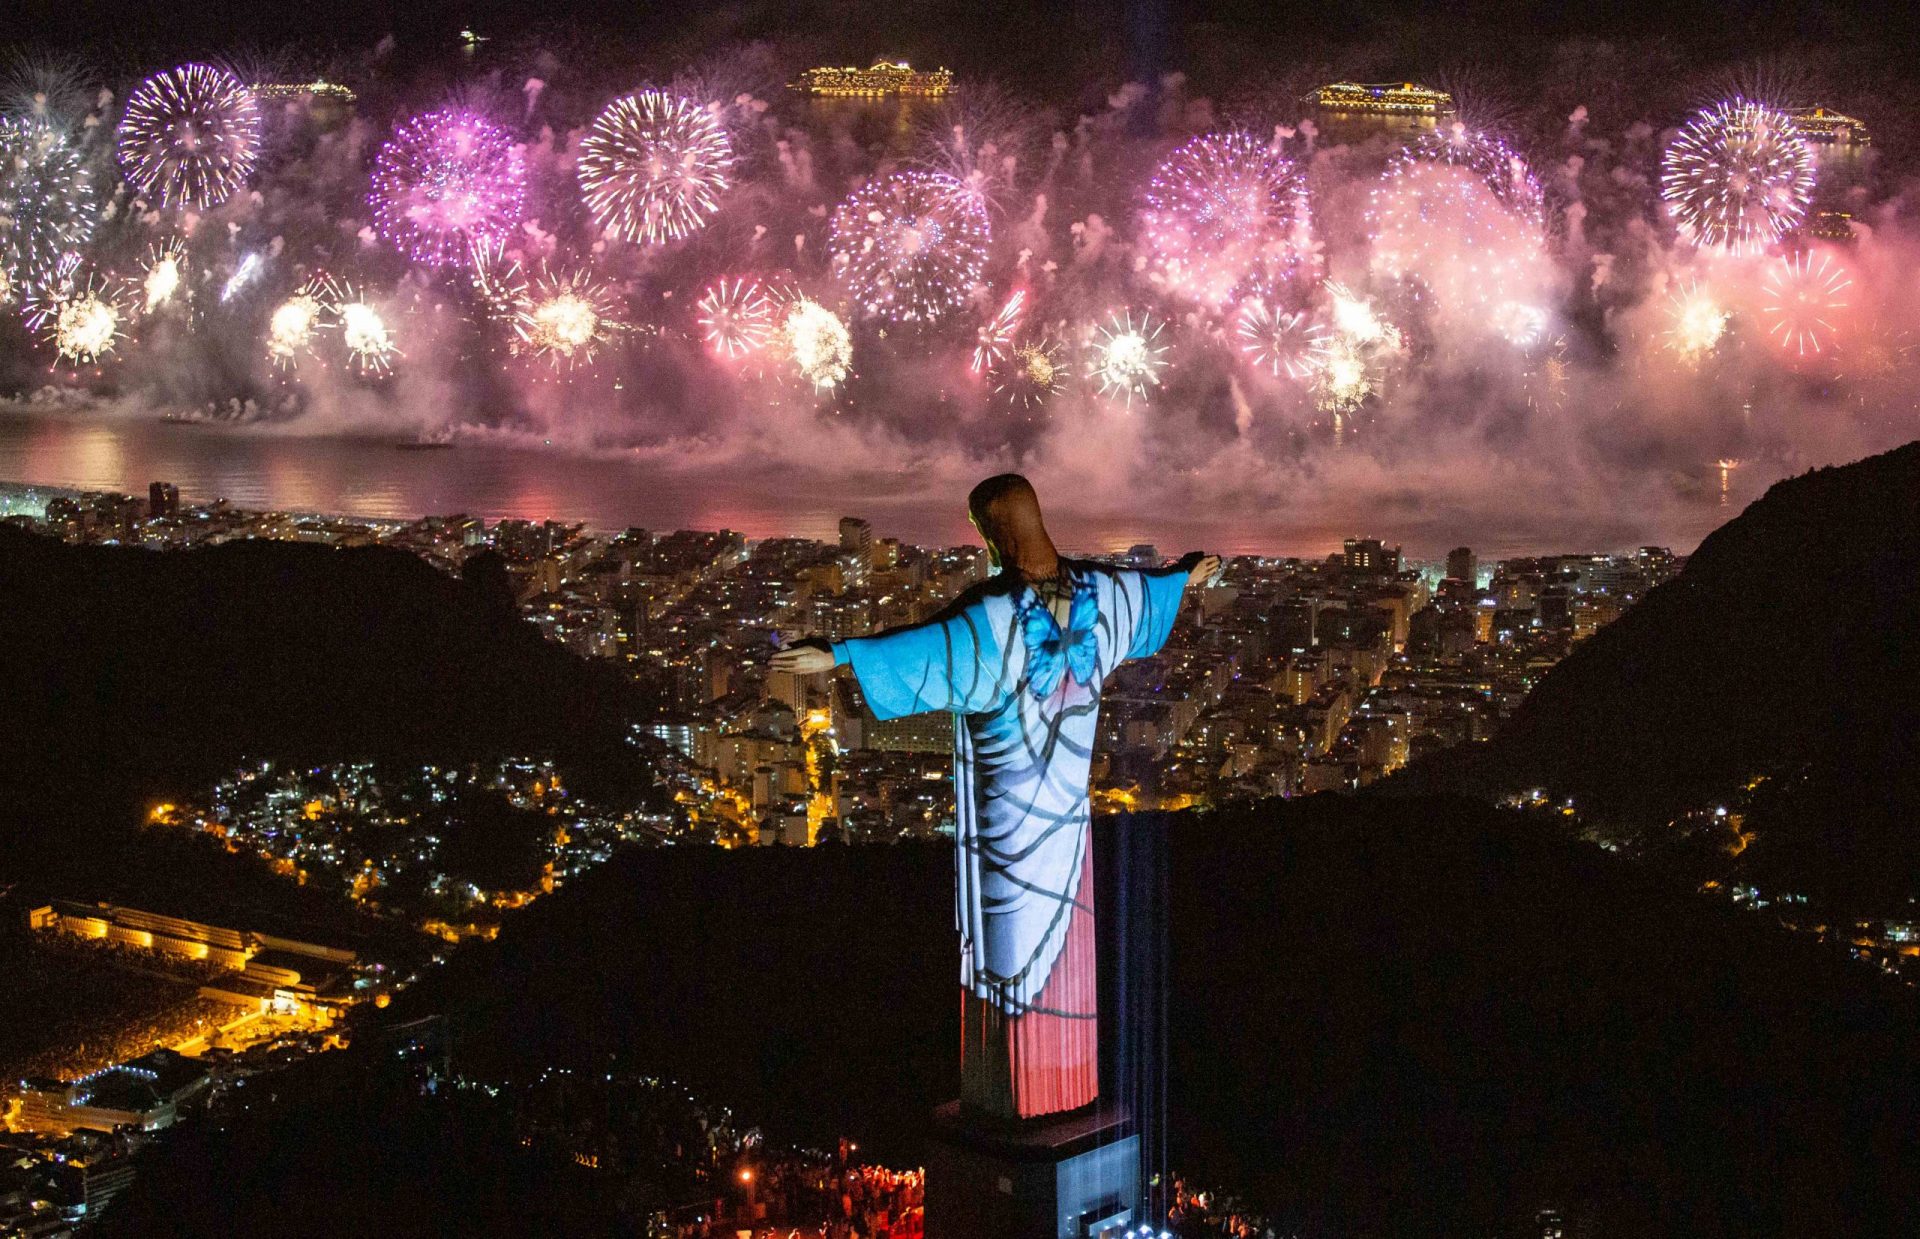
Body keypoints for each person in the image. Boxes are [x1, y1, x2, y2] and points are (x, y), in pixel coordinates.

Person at [770, 474, 1219, 1120]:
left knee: (1007, 965)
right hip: (1071, 833)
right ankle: (1065, 1092)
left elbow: (924, 650)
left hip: (1008, 829)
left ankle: (1017, 1102)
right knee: (1067, 948)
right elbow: (1153, 594)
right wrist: (1186, 575)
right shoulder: (1103, 593)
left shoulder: (996, 618)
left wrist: (837, 653)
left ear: (997, 533)